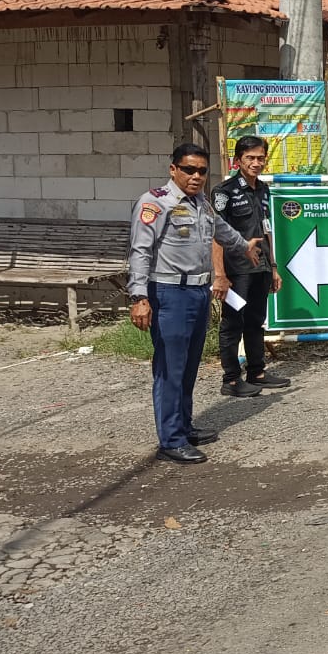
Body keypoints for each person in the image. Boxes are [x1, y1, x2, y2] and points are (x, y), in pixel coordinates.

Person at [128, 143, 264, 464]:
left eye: (202, 171)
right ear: (173, 169)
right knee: (170, 370)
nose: (196, 176)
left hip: (198, 294)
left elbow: (222, 230)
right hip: (169, 294)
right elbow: (140, 251)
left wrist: (244, 245)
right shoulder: (155, 203)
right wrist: (138, 297)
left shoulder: (201, 203)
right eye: (189, 169)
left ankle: (184, 426)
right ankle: (171, 440)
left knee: (188, 368)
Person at [211, 135, 290, 397]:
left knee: (256, 321)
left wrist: (274, 266)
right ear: (238, 161)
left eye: (260, 158)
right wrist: (220, 274)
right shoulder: (224, 192)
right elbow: (217, 235)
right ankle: (231, 380)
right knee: (232, 323)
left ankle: (257, 372)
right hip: (237, 272)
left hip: (261, 270)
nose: (256, 163)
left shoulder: (264, 190)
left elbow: (267, 229)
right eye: (250, 158)